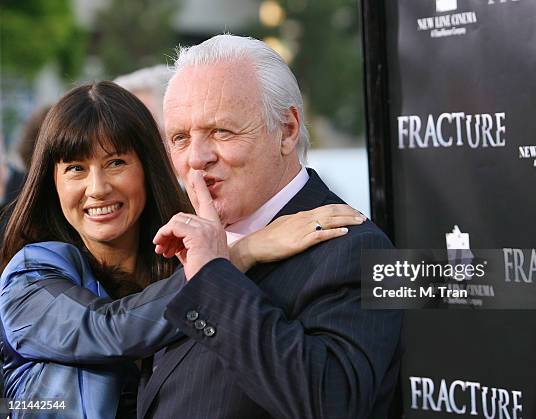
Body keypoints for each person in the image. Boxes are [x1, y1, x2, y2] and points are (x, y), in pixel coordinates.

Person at [0, 81, 364, 418]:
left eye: (116, 163)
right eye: (76, 168)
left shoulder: (177, 259)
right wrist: (235, 256)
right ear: (52, 182)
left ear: (147, 166)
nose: (97, 188)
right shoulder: (29, 276)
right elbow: (108, 328)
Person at [138, 34, 403, 419]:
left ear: (287, 130)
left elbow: (331, 403)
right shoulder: (184, 242)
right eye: (179, 138)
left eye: (221, 132)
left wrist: (214, 275)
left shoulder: (357, 250)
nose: (196, 158)